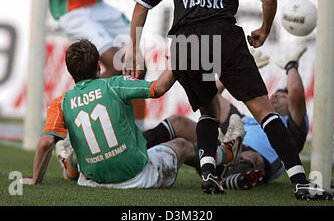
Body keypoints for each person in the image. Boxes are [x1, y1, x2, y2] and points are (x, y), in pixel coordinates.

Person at [122, 0, 332, 199]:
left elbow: (141, 3)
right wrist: (263, 28)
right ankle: (300, 182)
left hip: (185, 41)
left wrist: (133, 47)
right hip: (223, 37)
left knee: (208, 108)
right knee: (264, 111)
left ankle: (209, 173)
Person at [20, 39, 242, 189]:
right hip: (137, 177)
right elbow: (158, 88)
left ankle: (69, 167)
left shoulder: (61, 102)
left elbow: (45, 142)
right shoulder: (115, 84)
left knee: (81, 147)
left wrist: (34, 180)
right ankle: (226, 154)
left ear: (70, 71)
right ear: (99, 66)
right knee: (182, 144)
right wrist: (178, 61)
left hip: (92, 182)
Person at [218, 46, 312, 190]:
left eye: (282, 96)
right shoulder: (243, 120)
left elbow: (295, 91)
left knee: (251, 157)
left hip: (254, 160)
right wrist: (240, 69)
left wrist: (291, 66)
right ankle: (170, 161)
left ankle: (232, 177)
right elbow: (211, 95)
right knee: (180, 126)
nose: (275, 96)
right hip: (224, 153)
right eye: (274, 94)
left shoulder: (293, 127)